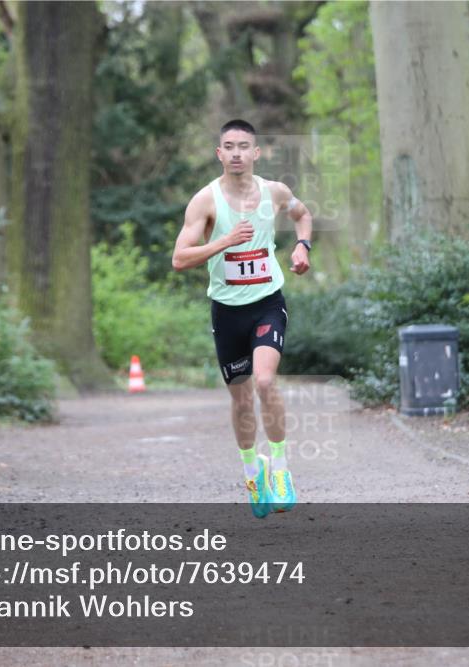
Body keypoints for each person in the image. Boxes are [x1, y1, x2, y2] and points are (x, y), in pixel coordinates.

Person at [172, 119, 313, 518]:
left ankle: (282, 469)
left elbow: (303, 215)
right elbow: (179, 258)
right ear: (219, 154)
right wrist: (223, 243)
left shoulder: (275, 192)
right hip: (227, 311)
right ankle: (254, 473)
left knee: (265, 380)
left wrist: (302, 246)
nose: (236, 153)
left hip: (267, 302)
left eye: (243, 146)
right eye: (228, 146)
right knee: (240, 400)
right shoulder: (205, 201)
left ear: (256, 153)